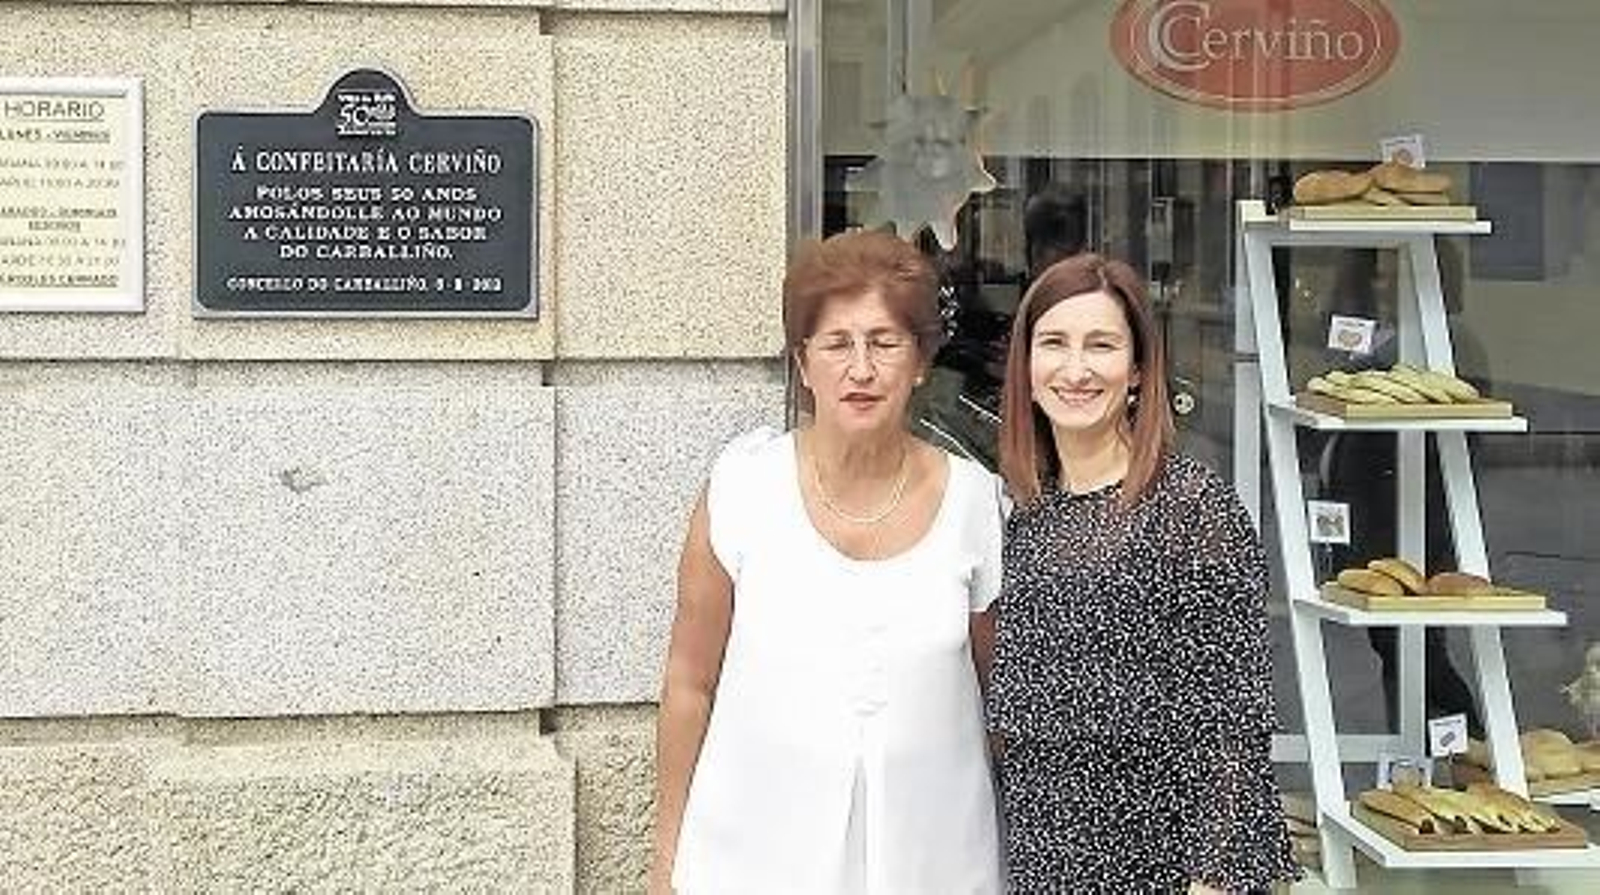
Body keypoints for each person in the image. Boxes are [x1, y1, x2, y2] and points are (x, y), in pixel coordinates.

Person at [651, 230, 1005, 895]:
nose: (861, 368)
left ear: (922, 361)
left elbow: (1000, 704)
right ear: (803, 361)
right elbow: (688, 683)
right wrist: (667, 860)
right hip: (752, 860)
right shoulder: (742, 490)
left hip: (935, 861)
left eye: (885, 341)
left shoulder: (976, 505)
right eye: (838, 343)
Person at [990, 253, 1299, 892]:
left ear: (1136, 370)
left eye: (1100, 346)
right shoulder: (1023, 512)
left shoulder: (1191, 507)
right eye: (1054, 344)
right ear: (1026, 366)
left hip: (1168, 867)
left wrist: (1210, 881)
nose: (1075, 370)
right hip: (1048, 860)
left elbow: (1234, 721)